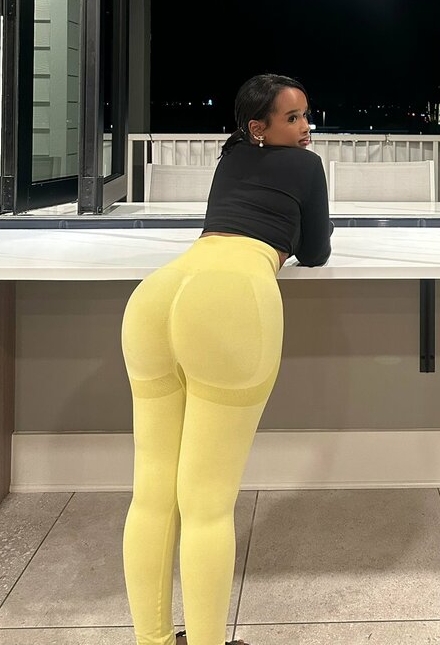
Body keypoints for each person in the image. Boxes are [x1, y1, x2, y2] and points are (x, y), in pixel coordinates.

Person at [120, 73, 333, 645]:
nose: (306, 128)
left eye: (306, 115)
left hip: (157, 295)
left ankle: (154, 640)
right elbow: (315, 251)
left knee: (152, 493)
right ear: (258, 126)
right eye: (293, 118)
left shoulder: (231, 157)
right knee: (207, 505)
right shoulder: (306, 166)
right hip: (230, 301)